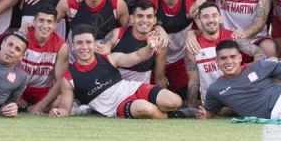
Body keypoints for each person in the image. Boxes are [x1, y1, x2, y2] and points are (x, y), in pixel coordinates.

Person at [50, 25, 190, 119]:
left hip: (134, 88)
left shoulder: (109, 58)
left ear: (94, 44)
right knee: (145, 109)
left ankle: (176, 110)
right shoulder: (69, 77)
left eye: (88, 42)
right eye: (79, 43)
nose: (84, 47)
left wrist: (149, 47)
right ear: (72, 46)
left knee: (174, 101)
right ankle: (175, 116)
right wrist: (57, 112)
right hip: (117, 106)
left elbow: (137, 56)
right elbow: (65, 109)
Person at [183, 1, 265, 106]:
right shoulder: (193, 46)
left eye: (214, 16)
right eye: (206, 17)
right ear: (199, 20)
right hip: (212, 100)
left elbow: (258, 52)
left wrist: (254, 76)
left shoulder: (233, 37)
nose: (211, 20)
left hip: (237, 95)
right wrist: (191, 107)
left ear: (220, 18)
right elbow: (193, 82)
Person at [146, 0, 198, 94]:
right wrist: (157, 27)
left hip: (180, 62)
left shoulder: (189, 2)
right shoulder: (150, 1)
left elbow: (206, 28)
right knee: (153, 97)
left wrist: (192, 33)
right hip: (153, 61)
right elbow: (135, 26)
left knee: (185, 97)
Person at [18, 4, 69, 114]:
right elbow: (8, 68)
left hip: (43, 90)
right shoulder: (22, 37)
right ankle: (27, 107)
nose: (45, 25)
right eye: (41, 20)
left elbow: (60, 81)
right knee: (1, 91)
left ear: (55, 25)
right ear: (34, 22)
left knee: (60, 101)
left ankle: (29, 108)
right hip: (21, 87)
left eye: (49, 22)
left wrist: (41, 104)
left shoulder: (61, 46)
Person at [105, 0, 166, 84]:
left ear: (154, 20)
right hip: (114, 87)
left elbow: (159, 78)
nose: (144, 20)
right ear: (132, 18)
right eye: (140, 16)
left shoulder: (160, 43)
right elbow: (99, 62)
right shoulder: (116, 34)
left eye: (149, 16)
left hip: (141, 90)